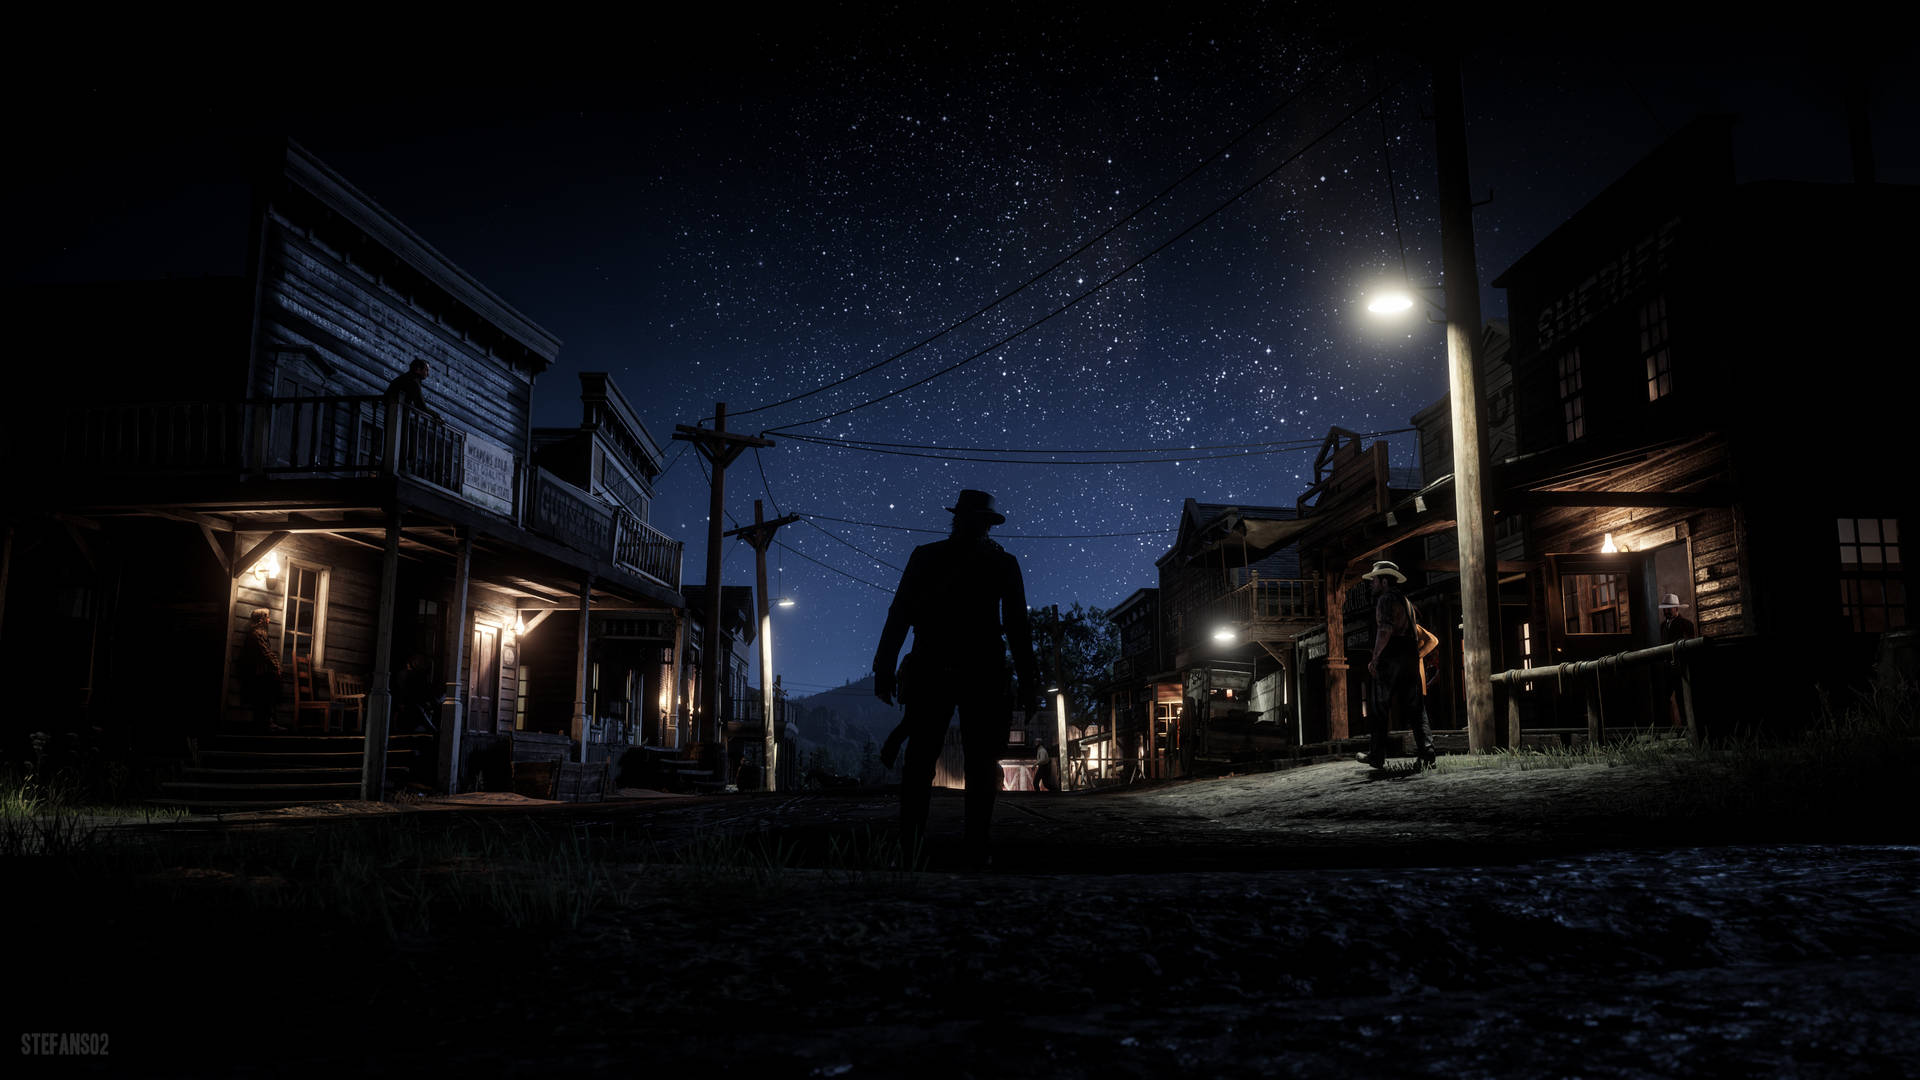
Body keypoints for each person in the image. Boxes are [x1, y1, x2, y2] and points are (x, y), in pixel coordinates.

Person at [873, 489, 1041, 870]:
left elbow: (899, 614)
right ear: (984, 523)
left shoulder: (927, 557)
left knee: (929, 757)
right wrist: (1030, 680)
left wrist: (884, 667)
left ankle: (917, 846)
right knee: (972, 758)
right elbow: (1017, 628)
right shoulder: (1000, 563)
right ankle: (973, 847)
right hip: (978, 666)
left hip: (937, 662)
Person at [1357, 560, 1436, 770]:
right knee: (1416, 707)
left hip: (1392, 655)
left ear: (1384, 581)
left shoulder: (1385, 600)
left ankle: (1376, 756)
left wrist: (1375, 657)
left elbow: (1385, 630)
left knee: (1379, 707)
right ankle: (1427, 752)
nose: (1371, 584)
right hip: (1409, 655)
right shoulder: (1406, 602)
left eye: (1374, 580)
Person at [239, 608, 284, 733]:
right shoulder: (256, 634)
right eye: (267, 618)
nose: (269, 621)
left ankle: (267, 722)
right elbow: (266, 653)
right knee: (265, 695)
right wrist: (277, 666)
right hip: (257, 673)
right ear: (261, 620)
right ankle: (266, 724)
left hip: (261, 672)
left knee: (267, 696)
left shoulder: (260, 633)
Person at [1659, 594, 1697, 727]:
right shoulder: (1662, 626)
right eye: (1664, 609)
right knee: (1666, 697)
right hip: (1666, 668)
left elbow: (1690, 645)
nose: (1666, 611)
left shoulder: (1686, 624)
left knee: (1683, 696)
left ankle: (1688, 726)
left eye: (1669, 608)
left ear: (1676, 608)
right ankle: (1672, 727)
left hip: (1681, 666)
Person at [384, 358, 444, 423]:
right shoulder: (413, 382)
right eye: (426, 370)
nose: (428, 374)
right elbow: (421, 406)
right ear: (418, 370)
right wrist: (437, 415)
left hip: (391, 413)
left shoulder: (405, 377)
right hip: (397, 416)